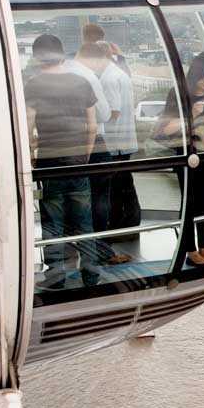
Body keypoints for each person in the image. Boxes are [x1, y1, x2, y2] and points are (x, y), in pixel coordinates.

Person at [25, 34, 100, 289]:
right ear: (62, 54)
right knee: (84, 222)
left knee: (52, 222)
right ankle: (91, 274)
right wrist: (85, 155)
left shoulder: (34, 85)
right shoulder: (82, 82)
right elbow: (92, 126)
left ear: (38, 57)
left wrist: (32, 155)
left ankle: (55, 277)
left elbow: (28, 126)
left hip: (50, 162)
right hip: (78, 160)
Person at [156, 52, 204, 266]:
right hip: (187, 157)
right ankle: (190, 250)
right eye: (203, 78)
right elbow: (167, 129)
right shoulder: (177, 94)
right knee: (190, 205)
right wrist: (192, 114)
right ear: (194, 75)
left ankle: (203, 245)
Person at [75, 43, 130, 265]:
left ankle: (79, 251)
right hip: (94, 144)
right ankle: (102, 252)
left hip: (68, 144)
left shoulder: (65, 70)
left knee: (76, 200)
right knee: (99, 200)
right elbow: (105, 114)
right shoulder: (89, 77)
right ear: (97, 59)